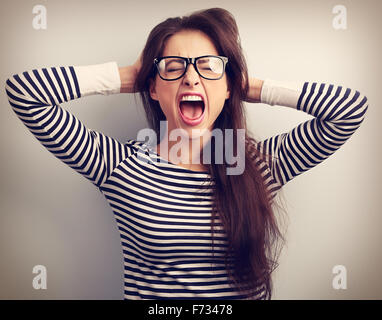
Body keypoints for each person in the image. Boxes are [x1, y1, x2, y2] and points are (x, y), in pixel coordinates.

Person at [5, 8, 368, 300]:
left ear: (229, 88)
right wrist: (130, 75)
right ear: (152, 87)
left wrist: (246, 85)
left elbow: (349, 110)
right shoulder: (119, 166)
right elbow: (25, 94)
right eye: (174, 67)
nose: (191, 79)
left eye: (208, 66)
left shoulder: (260, 165)